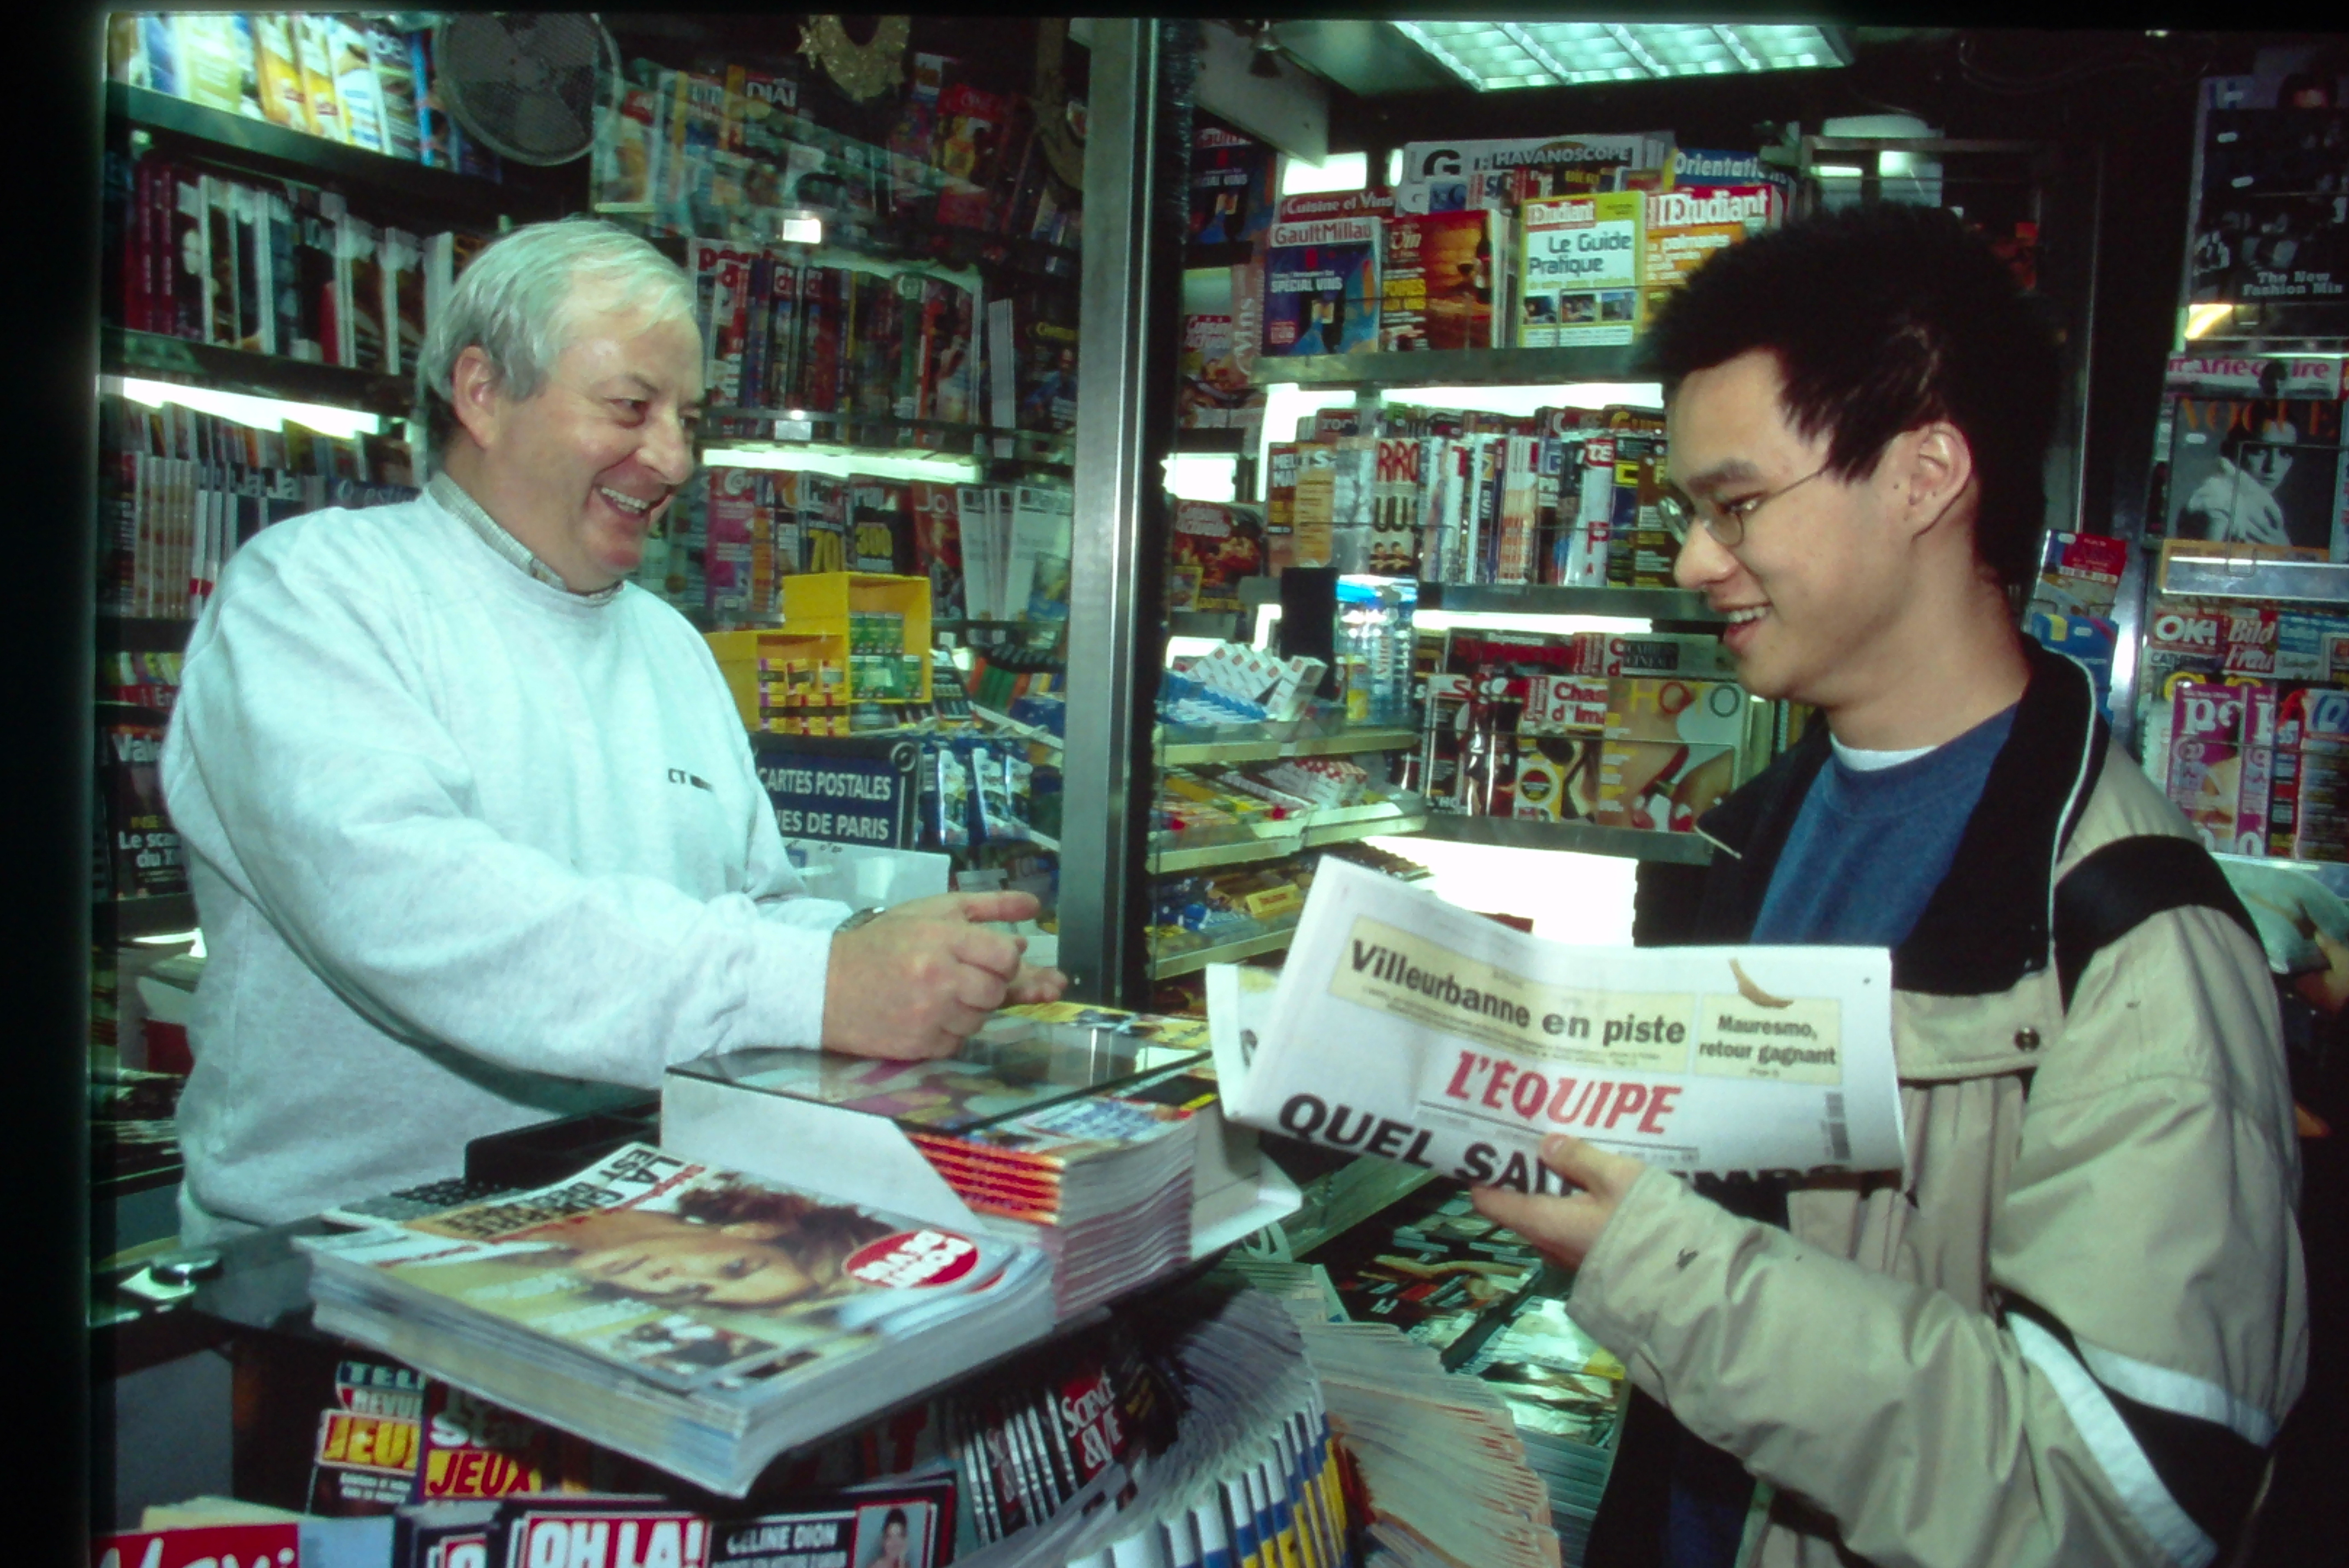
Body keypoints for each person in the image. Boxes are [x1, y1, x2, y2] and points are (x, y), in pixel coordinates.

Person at [1474, 203, 2305, 1568]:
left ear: (1923, 473)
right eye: (1688, 511)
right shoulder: (1734, 843)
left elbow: (2124, 1499)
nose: (1692, 561)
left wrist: (1656, 1265)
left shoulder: (2128, 936)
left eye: (1735, 504)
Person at [162, 219, 1065, 1244]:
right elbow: (417, 910)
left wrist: (911, 964)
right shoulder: (315, 592)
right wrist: (819, 985)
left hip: (643, 1220)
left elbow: (749, 907)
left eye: (688, 417)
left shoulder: (671, 643)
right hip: (334, 1259)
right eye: (632, 408)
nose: (674, 458)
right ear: (483, 392)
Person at [2178, 406, 2301, 547]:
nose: (2272, 466)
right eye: (2259, 450)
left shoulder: (2262, 506)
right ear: (2233, 450)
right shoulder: (2218, 502)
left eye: (2285, 453)